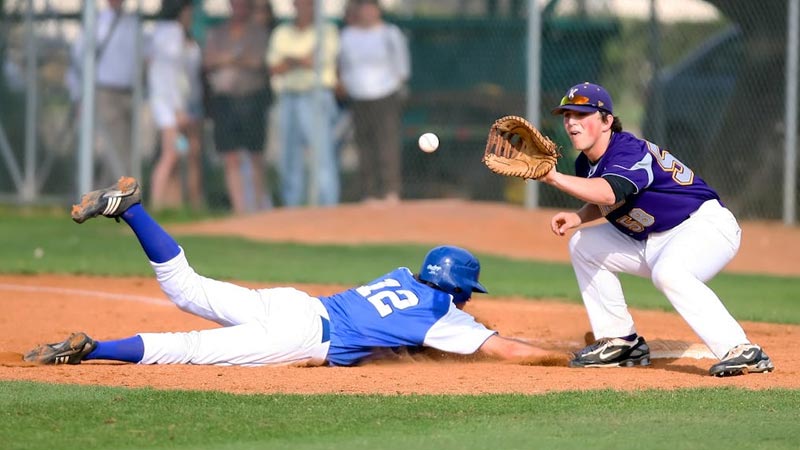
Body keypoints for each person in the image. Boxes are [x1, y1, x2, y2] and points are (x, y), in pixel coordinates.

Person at [23, 177, 566, 368]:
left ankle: (132, 208)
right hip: (301, 335)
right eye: (466, 294)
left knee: (184, 287)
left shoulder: (402, 276)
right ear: (456, 290)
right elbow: (507, 350)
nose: (467, 304)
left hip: (293, 303)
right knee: (186, 347)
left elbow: (397, 334)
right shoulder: (440, 316)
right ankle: (92, 350)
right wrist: (568, 356)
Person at [542, 81, 774, 377]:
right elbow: (609, 198)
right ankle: (621, 342)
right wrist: (579, 217)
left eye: (581, 114)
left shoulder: (628, 150)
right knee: (583, 245)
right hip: (653, 239)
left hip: (704, 226)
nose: (571, 122)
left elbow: (611, 192)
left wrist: (553, 178)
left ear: (606, 121)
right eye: (567, 115)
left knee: (670, 273)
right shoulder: (585, 164)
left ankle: (742, 350)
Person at [268, 0, 340, 207]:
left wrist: (290, 60)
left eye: (309, 4)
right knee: (289, 156)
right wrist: (300, 60)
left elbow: (317, 61)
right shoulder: (282, 32)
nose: (304, 7)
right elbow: (275, 67)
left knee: (321, 154)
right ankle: (292, 208)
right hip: (289, 95)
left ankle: (328, 206)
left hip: (316, 95)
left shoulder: (327, 30)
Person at [338, 0, 410, 204]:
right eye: (364, 8)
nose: (368, 12)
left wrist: (393, 85)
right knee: (364, 145)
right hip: (358, 96)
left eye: (372, 7)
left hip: (386, 94)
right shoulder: (348, 35)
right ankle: (369, 193)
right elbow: (343, 67)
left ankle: (391, 191)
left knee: (387, 143)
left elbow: (402, 67)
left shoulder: (390, 33)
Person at [203, 0, 271, 214]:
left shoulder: (259, 33)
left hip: (251, 99)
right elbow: (208, 60)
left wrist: (226, 59)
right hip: (224, 101)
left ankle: (259, 206)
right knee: (230, 155)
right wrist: (237, 58)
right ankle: (240, 209)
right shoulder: (217, 32)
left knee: (255, 154)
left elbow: (258, 61)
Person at [66, 0, 141, 187]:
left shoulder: (132, 23)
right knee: (115, 149)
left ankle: (111, 196)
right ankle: (115, 197)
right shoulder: (97, 23)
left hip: (129, 91)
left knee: (125, 149)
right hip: (105, 92)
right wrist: (77, 95)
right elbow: (77, 60)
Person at [147, 0, 204, 211]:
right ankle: (157, 204)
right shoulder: (171, 34)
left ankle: (176, 204)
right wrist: (178, 109)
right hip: (170, 106)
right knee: (171, 154)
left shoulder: (174, 33)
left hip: (180, 104)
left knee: (184, 153)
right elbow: (171, 76)